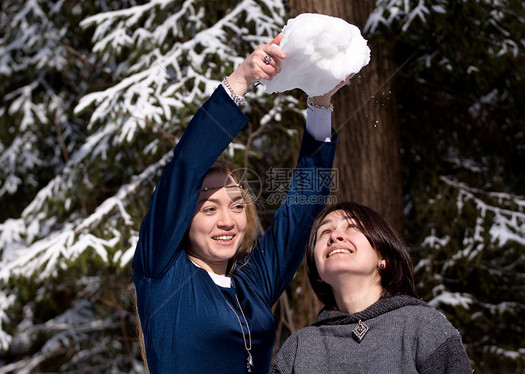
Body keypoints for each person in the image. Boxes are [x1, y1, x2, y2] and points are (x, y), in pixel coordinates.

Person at [132, 33, 350, 373]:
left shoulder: (253, 285)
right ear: (182, 220)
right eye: (209, 208)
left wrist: (320, 103)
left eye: (236, 206)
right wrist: (241, 80)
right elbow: (186, 167)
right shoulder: (162, 273)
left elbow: (303, 208)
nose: (227, 221)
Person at [272, 202, 473, 374]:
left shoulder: (423, 326)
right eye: (324, 232)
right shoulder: (298, 349)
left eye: (352, 227)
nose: (335, 236)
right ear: (317, 269)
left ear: (383, 256)